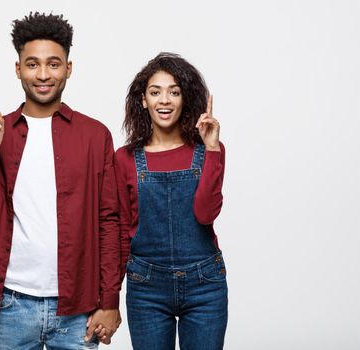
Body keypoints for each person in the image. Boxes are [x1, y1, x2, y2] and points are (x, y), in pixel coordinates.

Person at [0, 12, 121, 349]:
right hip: (12, 305)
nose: (43, 74)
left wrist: (110, 301)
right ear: (18, 69)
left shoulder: (95, 135)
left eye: (53, 64)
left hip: (79, 308)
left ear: (69, 68)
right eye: (32, 64)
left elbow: (109, 221)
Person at [115, 53, 228, 350]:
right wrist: (108, 298)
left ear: (185, 99)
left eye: (174, 92)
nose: (164, 100)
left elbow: (205, 214)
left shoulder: (209, 151)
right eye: (155, 92)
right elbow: (120, 230)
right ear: (143, 100)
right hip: (146, 286)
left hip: (204, 283)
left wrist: (213, 149)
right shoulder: (125, 159)